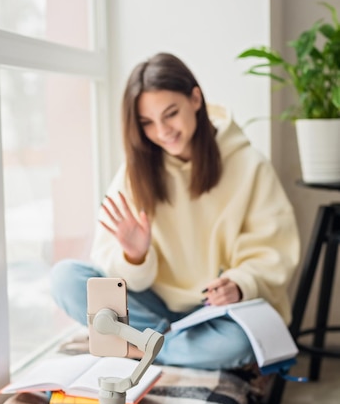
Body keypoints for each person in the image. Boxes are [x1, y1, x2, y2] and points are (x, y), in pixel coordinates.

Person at [51, 52, 300, 370]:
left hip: (214, 314)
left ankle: (140, 346)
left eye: (171, 113)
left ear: (195, 99)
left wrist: (239, 283)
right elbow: (110, 271)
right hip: (151, 306)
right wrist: (136, 257)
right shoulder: (136, 169)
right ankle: (163, 345)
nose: (163, 130)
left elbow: (274, 250)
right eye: (147, 123)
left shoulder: (250, 165)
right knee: (66, 278)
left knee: (241, 343)